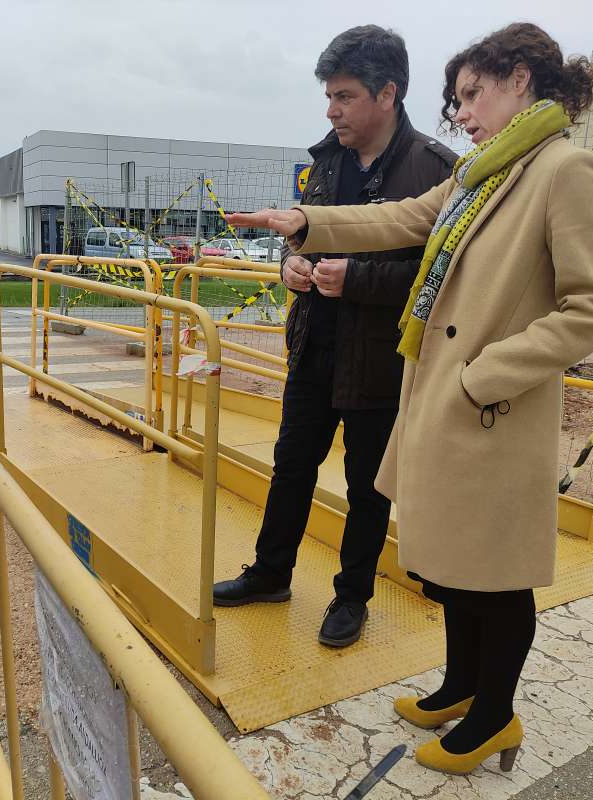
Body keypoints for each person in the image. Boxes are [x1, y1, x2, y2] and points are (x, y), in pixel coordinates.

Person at [227, 22, 593, 775]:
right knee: (450, 565)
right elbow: (401, 219)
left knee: (495, 574)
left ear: (521, 80)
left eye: (473, 93)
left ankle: (493, 718)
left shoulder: (562, 170)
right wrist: (305, 223)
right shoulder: (484, 173)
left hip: (488, 406)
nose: (462, 112)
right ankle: (458, 687)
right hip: (444, 400)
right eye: (455, 100)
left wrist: (484, 373)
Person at [212, 26, 455, 648]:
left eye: (344, 96)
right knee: (290, 466)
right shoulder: (323, 161)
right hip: (314, 346)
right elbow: (303, 237)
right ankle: (271, 574)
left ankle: (352, 598)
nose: (332, 110)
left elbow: (444, 277)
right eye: (329, 96)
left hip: (379, 360)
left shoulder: (435, 170)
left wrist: (360, 280)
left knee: (367, 487)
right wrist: (290, 267)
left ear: (388, 94)